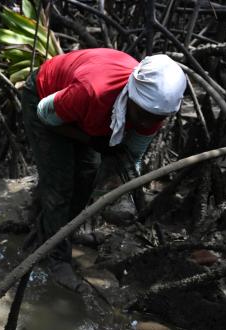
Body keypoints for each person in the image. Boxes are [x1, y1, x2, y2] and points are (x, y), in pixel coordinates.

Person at [21, 48, 186, 292]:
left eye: (155, 118)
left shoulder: (153, 111)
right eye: (142, 114)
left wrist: (126, 197)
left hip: (84, 114)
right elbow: (44, 114)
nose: (145, 123)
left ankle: (62, 233)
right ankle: (55, 258)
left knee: (88, 175)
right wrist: (89, 140)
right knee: (60, 184)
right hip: (46, 100)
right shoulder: (93, 92)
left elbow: (132, 158)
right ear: (131, 95)